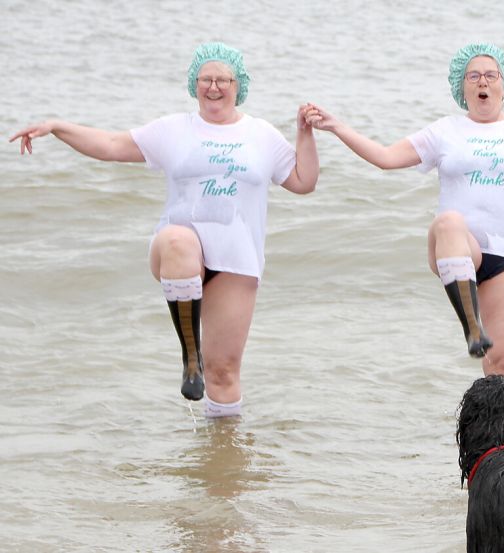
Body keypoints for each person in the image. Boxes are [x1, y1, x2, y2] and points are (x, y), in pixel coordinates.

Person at [9, 42, 320, 418]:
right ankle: (190, 354)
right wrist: (57, 127)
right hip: (176, 255)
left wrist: (305, 133)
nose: (214, 86)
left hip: (236, 261)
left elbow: (303, 181)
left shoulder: (262, 135)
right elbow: (110, 145)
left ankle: (223, 458)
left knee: (223, 373)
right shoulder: (173, 129)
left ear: (240, 85)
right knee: (178, 238)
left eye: (224, 79)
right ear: (194, 84)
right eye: (206, 78)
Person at [303, 43, 504, 378]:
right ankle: (472, 328)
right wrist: (337, 127)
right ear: (461, 88)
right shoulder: (445, 130)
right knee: (449, 221)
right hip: (455, 249)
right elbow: (385, 157)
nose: (482, 82)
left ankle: (502, 431)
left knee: (503, 365)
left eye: (490, 75)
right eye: (473, 76)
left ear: (503, 85)